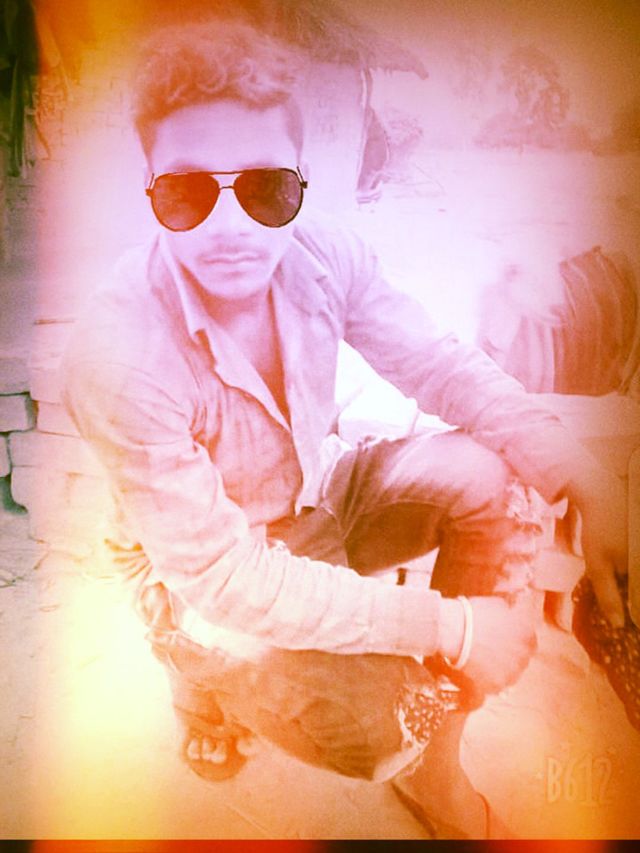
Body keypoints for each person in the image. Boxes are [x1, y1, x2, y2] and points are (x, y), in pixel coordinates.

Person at [60, 20, 629, 839]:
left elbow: (441, 366)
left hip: (316, 494)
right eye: (187, 193)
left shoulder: (322, 256)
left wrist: (586, 476)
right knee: (377, 725)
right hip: (199, 571)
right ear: (148, 189)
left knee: (493, 482)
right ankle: (201, 680)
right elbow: (224, 575)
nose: (231, 227)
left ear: (301, 179)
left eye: (266, 189)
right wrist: (455, 628)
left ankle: (435, 773)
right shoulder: (118, 353)